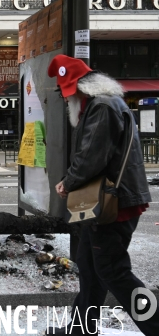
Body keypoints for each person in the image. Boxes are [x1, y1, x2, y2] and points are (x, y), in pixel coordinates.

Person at [47, 54, 159, 336]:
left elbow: (91, 156)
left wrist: (68, 182)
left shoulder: (101, 107)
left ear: (80, 88)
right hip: (109, 201)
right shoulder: (105, 103)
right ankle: (81, 329)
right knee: (89, 266)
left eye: (64, 92)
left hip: (113, 204)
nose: (63, 99)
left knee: (113, 272)